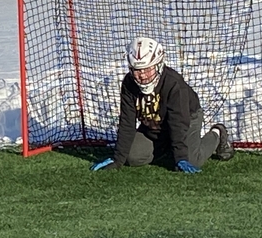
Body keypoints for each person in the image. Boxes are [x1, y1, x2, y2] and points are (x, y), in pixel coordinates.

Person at [91, 36, 234, 173]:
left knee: (192, 160)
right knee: (132, 156)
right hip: (154, 126)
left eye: (147, 69)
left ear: (158, 65)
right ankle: (166, 147)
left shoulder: (174, 84)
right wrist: (118, 159)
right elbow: (127, 122)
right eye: (137, 70)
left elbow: (179, 123)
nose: (143, 75)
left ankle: (217, 133)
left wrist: (181, 158)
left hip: (187, 119)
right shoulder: (129, 85)